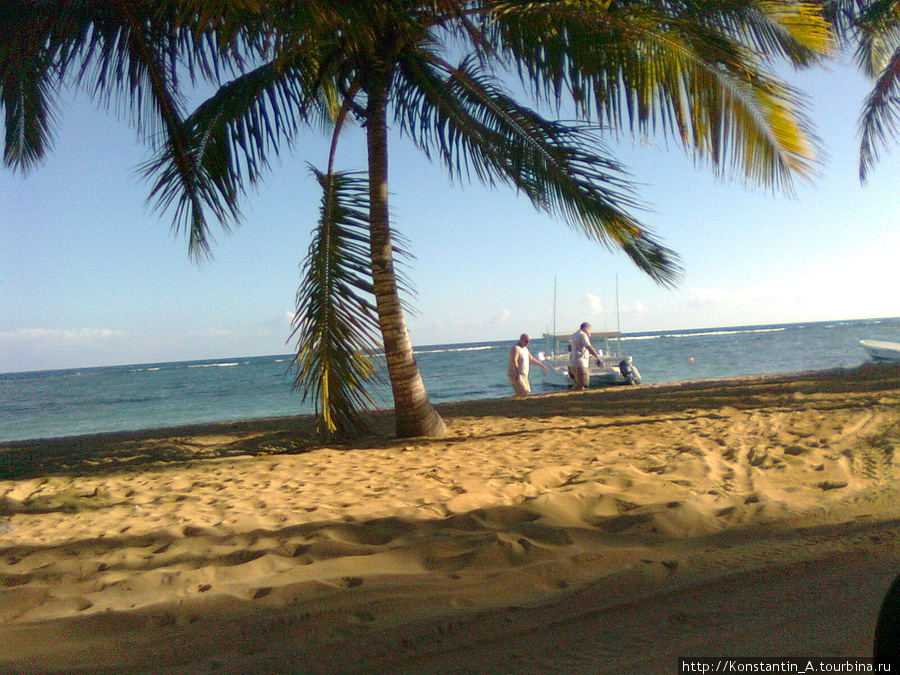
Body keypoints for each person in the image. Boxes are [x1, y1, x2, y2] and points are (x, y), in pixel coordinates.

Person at [567, 322, 603, 391]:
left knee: (580, 383)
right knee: (583, 383)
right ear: (586, 328)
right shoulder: (583, 335)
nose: (589, 332)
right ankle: (569, 394)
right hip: (580, 363)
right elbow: (588, 347)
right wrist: (598, 357)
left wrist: (587, 355)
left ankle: (576, 395)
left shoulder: (574, 335)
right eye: (589, 330)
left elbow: (570, 347)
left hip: (572, 363)